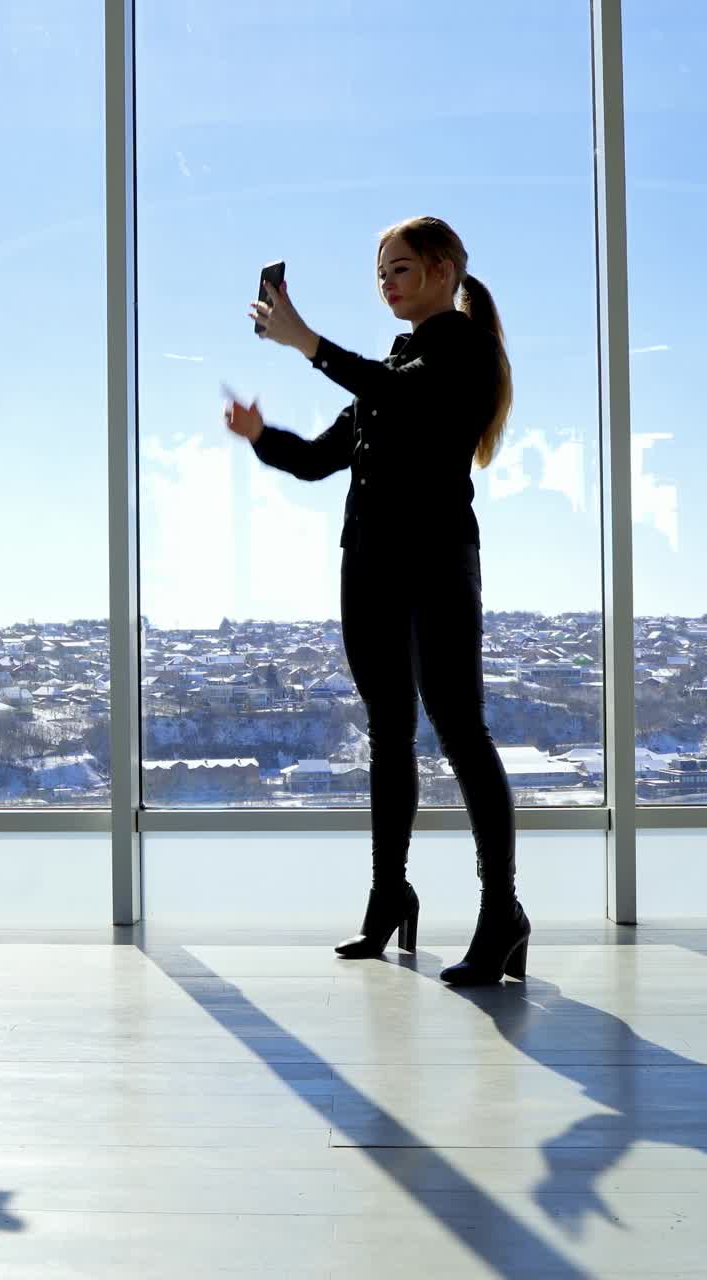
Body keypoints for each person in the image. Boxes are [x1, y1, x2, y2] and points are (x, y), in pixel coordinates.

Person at [225, 215, 527, 986]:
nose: (386, 282)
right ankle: (389, 894)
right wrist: (260, 436)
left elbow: (402, 394)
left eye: (398, 268)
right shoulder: (392, 364)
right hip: (369, 565)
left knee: (460, 730)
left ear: (443, 268)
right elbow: (323, 458)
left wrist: (307, 343)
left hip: (437, 560)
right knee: (389, 733)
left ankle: (502, 913)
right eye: (380, 272)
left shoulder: (457, 348)